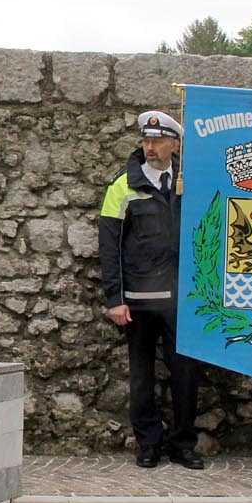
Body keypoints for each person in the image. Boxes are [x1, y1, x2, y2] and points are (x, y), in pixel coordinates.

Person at [98, 110, 203, 470]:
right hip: (140, 300)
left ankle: (183, 444)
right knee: (142, 375)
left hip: (183, 300)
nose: (150, 147)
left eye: (157, 141)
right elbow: (109, 248)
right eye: (146, 141)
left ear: (175, 144)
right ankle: (148, 443)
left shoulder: (192, 182)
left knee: (186, 374)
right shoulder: (122, 186)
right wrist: (115, 299)